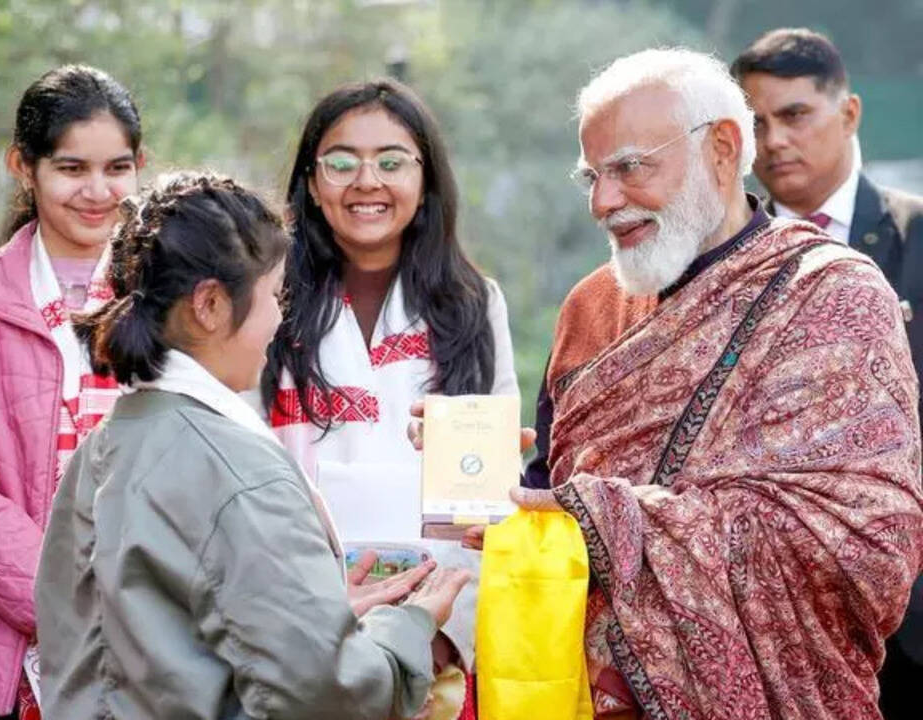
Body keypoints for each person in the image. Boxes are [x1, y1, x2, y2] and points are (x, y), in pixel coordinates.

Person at [434, 48, 922, 719]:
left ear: (721, 148)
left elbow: (865, 550)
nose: (605, 201)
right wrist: (496, 488)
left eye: (630, 167)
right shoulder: (591, 306)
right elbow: (554, 489)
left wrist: (607, 516)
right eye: (591, 177)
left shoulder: (834, 294)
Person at [36, 170, 469, 719]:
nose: (278, 318)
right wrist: (404, 628)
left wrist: (320, 618)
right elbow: (324, 690)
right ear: (211, 305)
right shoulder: (238, 468)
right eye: (272, 294)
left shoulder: (104, 447)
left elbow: (138, 654)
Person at [259, 78, 517, 718]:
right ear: (312, 184)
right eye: (341, 162)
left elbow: (490, 495)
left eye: (392, 161)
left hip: (437, 630)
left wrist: (443, 632)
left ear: (426, 181)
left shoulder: (473, 306)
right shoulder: (264, 303)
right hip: (303, 625)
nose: (366, 181)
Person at [0, 64, 141, 718]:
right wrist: (71, 610)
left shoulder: (168, 291)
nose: (98, 192)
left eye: (117, 168)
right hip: (20, 657)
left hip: (157, 645)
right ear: (24, 166)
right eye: (72, 169)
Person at [732, 35, 923, 716]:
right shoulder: (725, 262)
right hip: (769, 613)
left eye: (795, 114)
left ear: (850, 113)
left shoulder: (916, 238)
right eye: (756, 122)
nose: (775, 140)